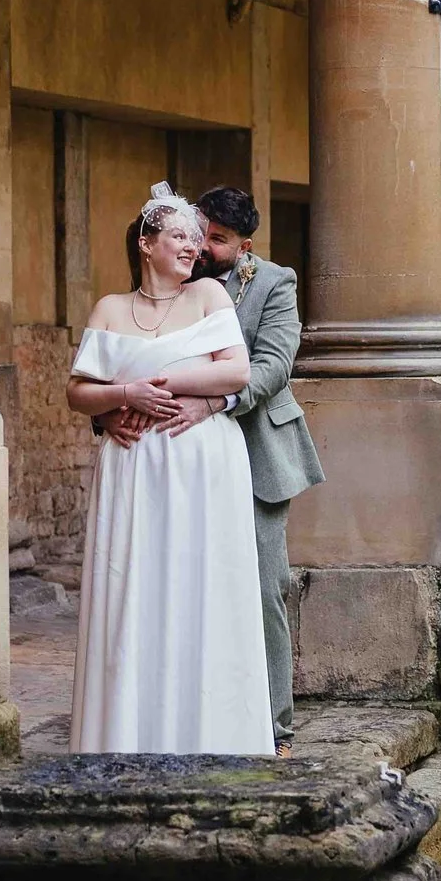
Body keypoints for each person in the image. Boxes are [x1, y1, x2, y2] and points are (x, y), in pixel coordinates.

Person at [106, 185, 322, 751]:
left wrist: (218, 401)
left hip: (253, 452)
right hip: (171, 461)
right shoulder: (170, 276)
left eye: (216, 241)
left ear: (244, 246)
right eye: (198, 232)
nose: (201, 246)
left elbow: (273, 365)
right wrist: (111, 414)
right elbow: (129, 351)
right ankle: (182, 720)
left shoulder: (274, 284)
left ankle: (272, 727)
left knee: (260, 586)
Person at [64, 184, 273, 754]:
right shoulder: (109, 308)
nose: (192, 245)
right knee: (133, 587)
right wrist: (120, 395)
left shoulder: (208, 294)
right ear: (145, 242)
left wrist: (154, 385)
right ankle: (127, 736)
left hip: (200, 462)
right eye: (179, 235)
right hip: (132, 466)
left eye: (195, 237)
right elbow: (79, 392)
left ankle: (210, 735)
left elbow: (235, 373)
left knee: (199, 588)